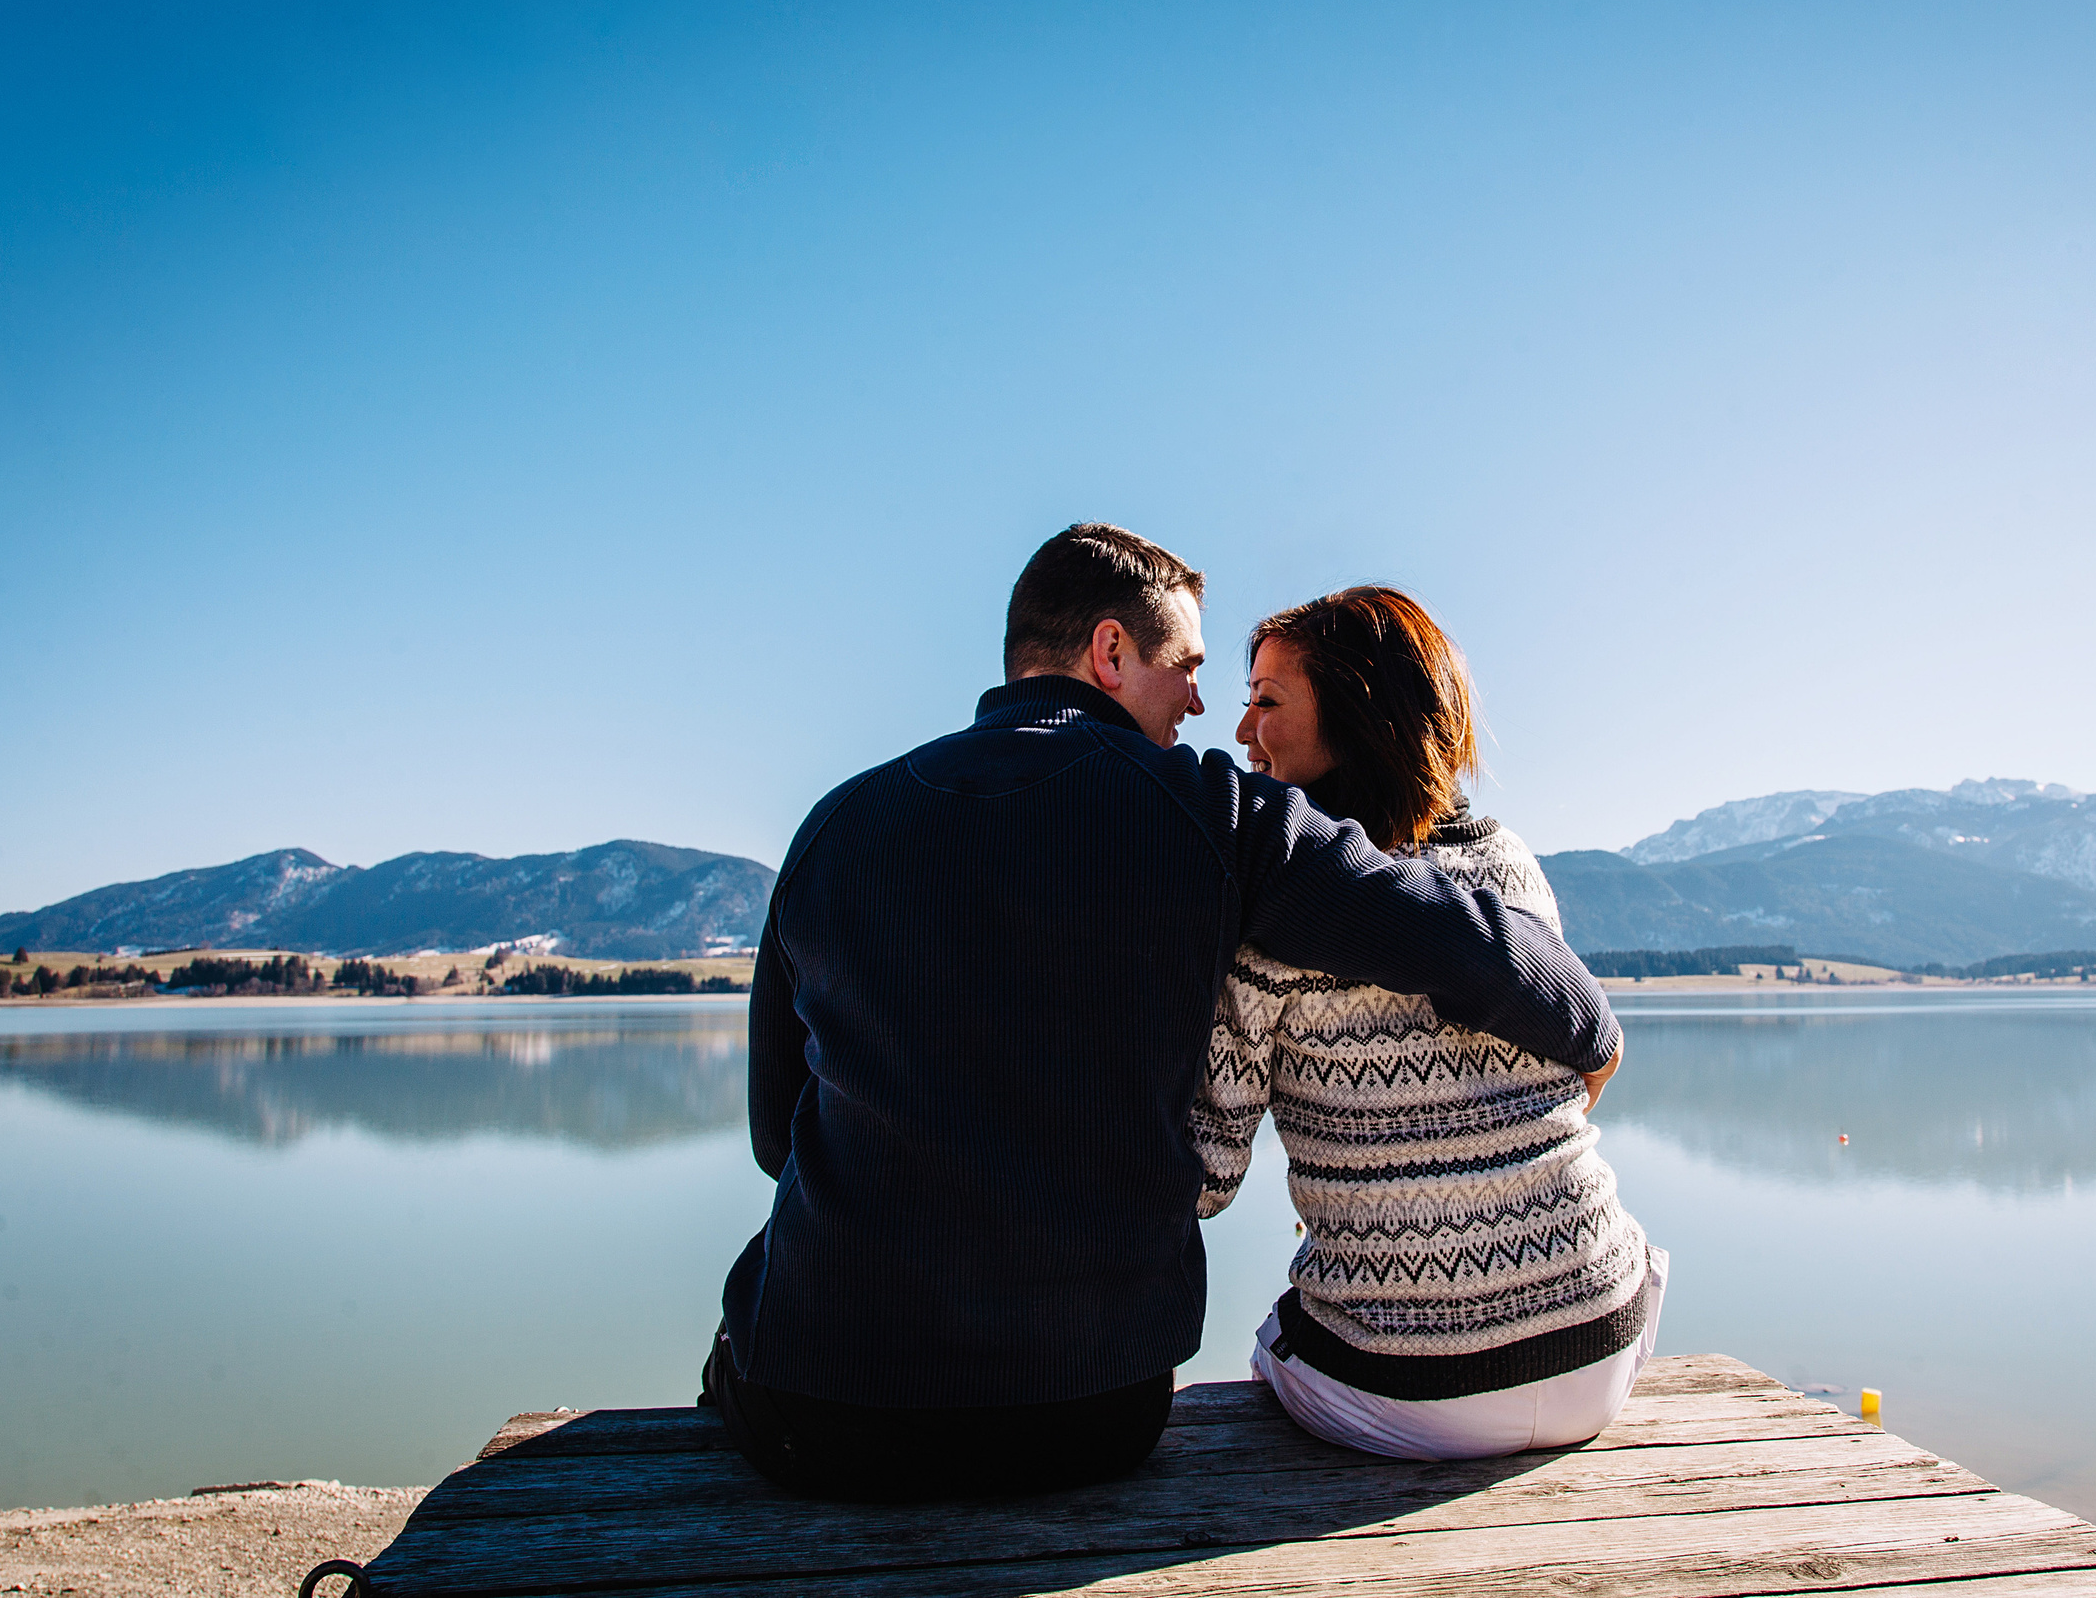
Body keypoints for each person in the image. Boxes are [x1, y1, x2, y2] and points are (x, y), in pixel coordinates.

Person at [704, 525, 1620, 1502]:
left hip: (824, 1420)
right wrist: (1592, 1031)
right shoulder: (1212, 815)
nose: (1199, 703)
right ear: (1109, 652)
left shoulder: (837, 827)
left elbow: (776, 1138)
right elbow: (1452, 936)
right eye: (1185, 666)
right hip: (1092, 1417)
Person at [1194, 586, 1664, 1461]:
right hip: (1601, 1343)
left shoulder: (1277, 921)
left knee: (1276, 1344)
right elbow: (1581, 1059)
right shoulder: (1508, 860)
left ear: (1357, 712)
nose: (1243, 729)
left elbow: (1206, 1171)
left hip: (1407, 1395)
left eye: (1267, 699)